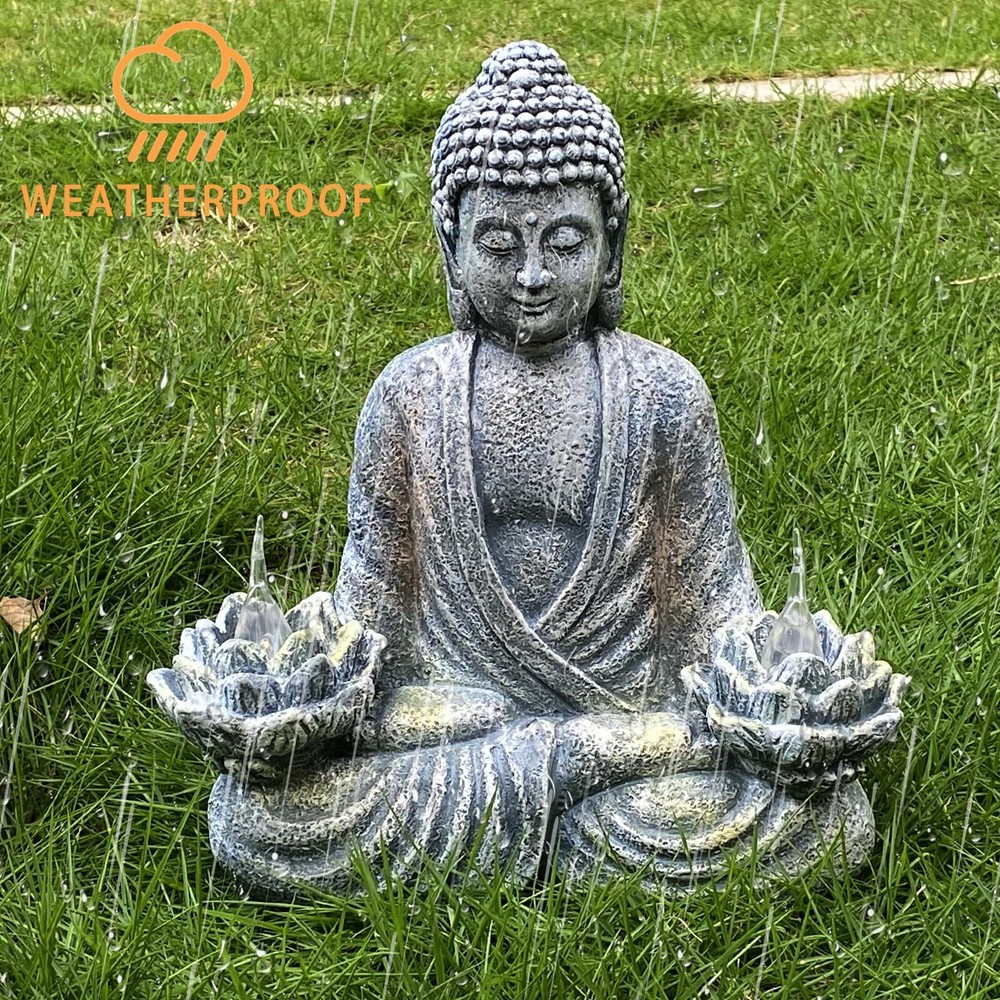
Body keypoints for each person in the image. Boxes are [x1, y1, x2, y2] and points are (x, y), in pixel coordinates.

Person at [208, 41, 870, 896]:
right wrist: (395, 716)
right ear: (449, 248)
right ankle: (572, 833)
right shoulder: (409, 394)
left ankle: (522, 831)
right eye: (497, 244)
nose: (531, 276)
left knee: (820, 816)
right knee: (258, 815)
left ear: (612, 245)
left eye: (565, 242)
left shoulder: (665, 393)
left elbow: (716, 623)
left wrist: (739, 713)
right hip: (461, 743)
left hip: (627, 730)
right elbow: (371, 637)